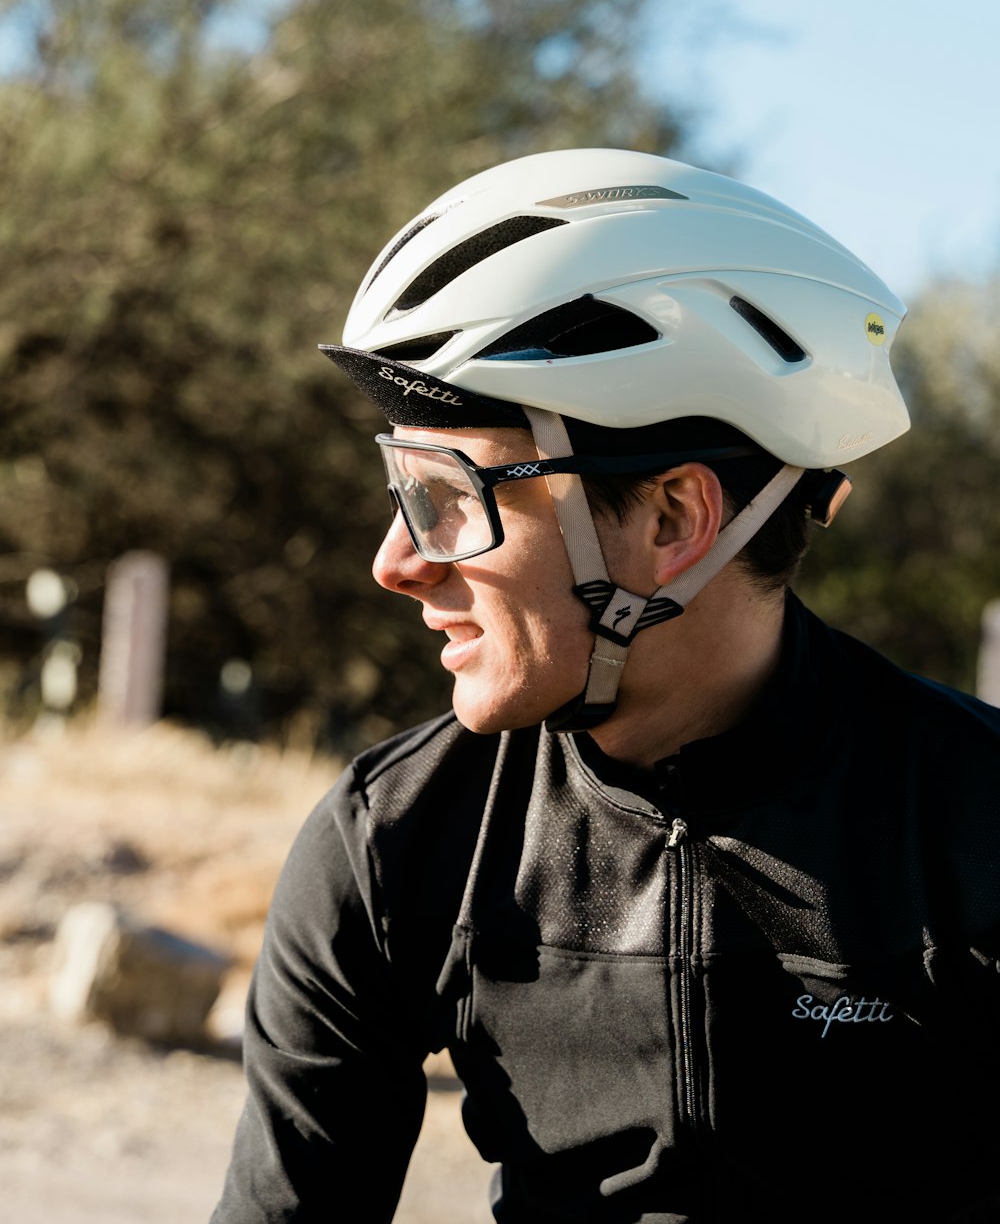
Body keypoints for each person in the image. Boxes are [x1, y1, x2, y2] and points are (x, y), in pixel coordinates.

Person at [213, 149, 1000, 1224]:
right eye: (401, 488)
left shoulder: (977, 822)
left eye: (448, 495)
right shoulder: (395, 838)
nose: (395, 562)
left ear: (674, 520)